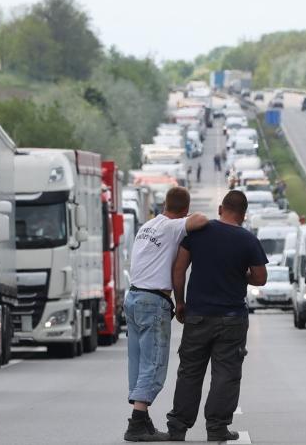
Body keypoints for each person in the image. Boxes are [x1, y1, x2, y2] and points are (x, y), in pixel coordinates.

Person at [166, 190, 268, 442]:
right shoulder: (247, 240)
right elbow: (260, 277)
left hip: (198, 315)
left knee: (190, 371)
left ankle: (178, 428)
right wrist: (241, 275)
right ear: (243, 216)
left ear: (221, 208)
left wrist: (180, 302)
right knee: (226, 373)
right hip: (232, 319)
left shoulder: (198, 233)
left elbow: (178, 268)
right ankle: (217, 427)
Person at [123, 187, 209, 442]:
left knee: (138, 361)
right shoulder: (173, 227)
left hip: (133, 298)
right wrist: (189, 217)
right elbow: (201, 221)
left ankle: (143, 418)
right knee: (155, 362)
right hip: (153, 301)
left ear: (163, 205)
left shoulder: (147, 226)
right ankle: (137, 422)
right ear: (184, 209)